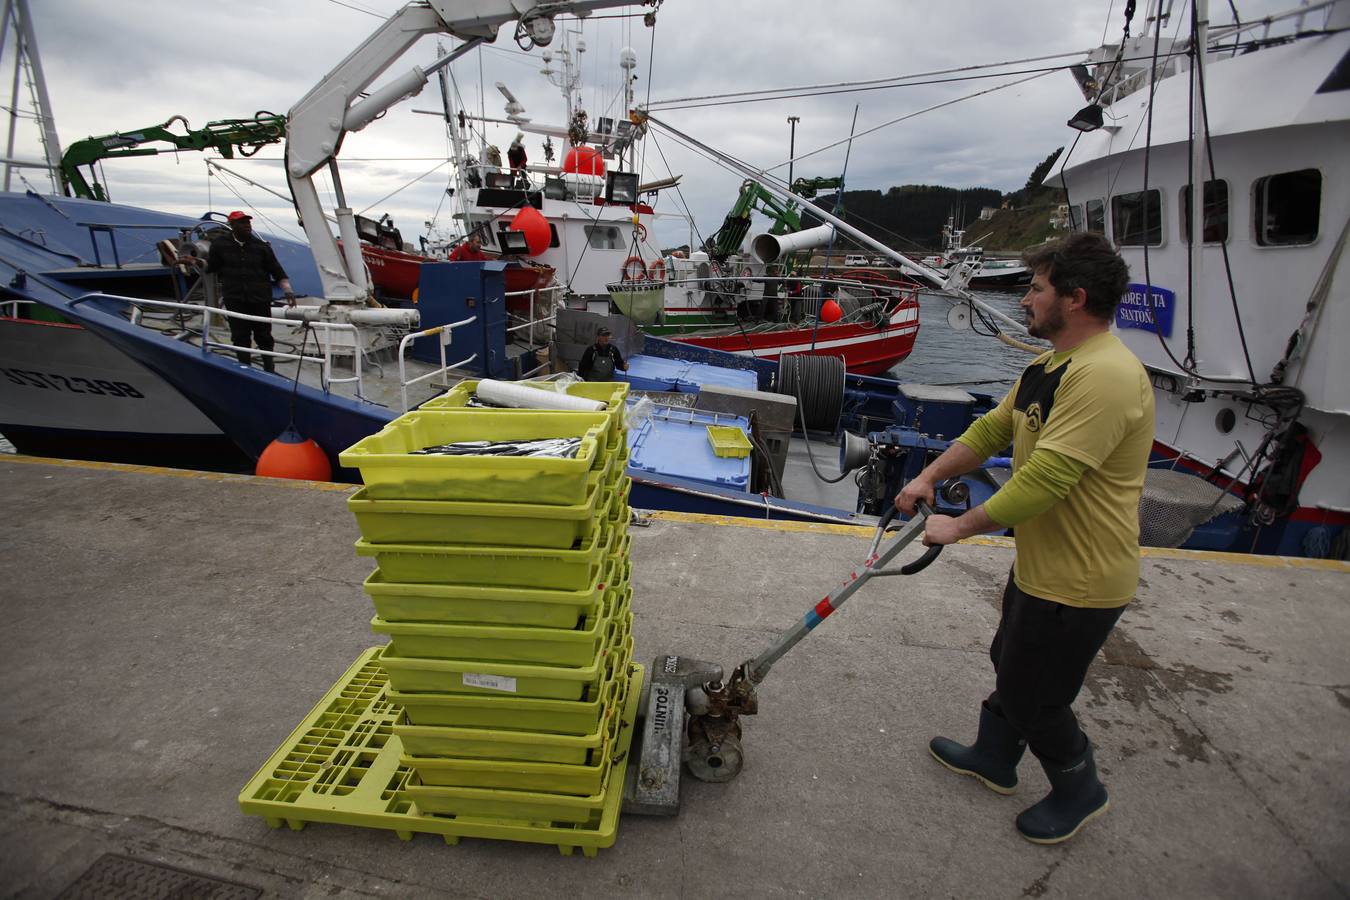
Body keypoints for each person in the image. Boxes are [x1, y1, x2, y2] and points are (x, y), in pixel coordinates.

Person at [895, 232, 1154, 844]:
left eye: (1037, 289)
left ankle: (1080, 790)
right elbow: (991, 430)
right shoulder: (1048, 366)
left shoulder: (1107, 376)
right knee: (1010, 665)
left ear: (1076, 298)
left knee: (1038, 696)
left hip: (1083, 579)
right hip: (1044, 567)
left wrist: (956, 526)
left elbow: (1044, 482)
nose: (1026, 300)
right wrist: (928, 476)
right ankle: (995, 758)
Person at [203, 211, 295, 373]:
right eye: (242, 223)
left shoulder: (261, 247)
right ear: (232, 226)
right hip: (235, 298)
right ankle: (244, 368)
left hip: (259, 298)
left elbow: (276, 270)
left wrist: (287, 290)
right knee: (240, 335)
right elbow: (212, 267)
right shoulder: (219, 245)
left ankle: (269, 368)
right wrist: (195, 261)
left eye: (248, 223)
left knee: (264, 334)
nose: (247, 226)